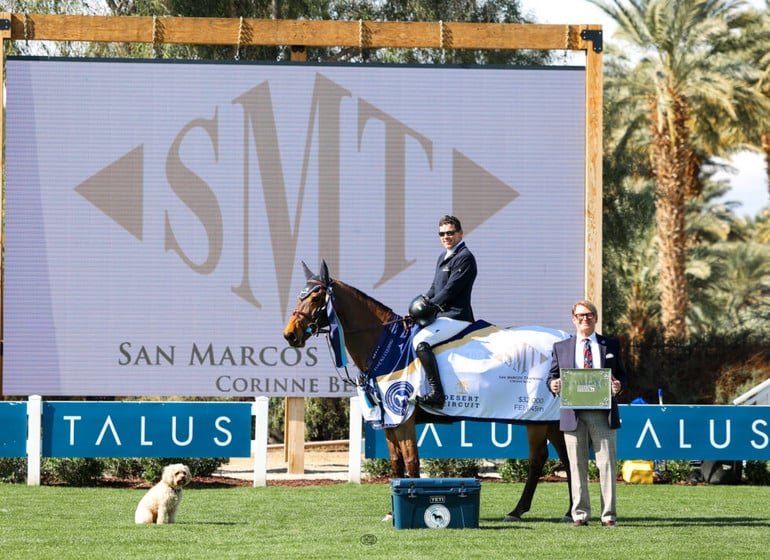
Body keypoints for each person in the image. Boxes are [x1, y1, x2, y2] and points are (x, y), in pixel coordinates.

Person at [547, 300, 627, 527]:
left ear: (596, 318)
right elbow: (551, 377)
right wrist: (553, 384)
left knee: (607, 465)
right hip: (573, 414)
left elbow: (622, 375)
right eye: (581, 315)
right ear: (573, 318)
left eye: (589, 315)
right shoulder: (561, 347)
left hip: (603, 413)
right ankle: (580, 515)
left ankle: (608, 516)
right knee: (576, 465)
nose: (585, 319)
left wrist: (618, 386)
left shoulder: (610, 345)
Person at [409, 215, 477, 409]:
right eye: (442, 234)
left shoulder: (465, 257)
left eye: (450, 233)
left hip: (456, 317)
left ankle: (437, 394)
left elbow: (450, 291)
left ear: (460, 233)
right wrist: (418, 305)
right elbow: (434, 288)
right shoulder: (443, 256)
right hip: (442, 317)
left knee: (420, 341)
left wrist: (429, 307)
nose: (446, 237)